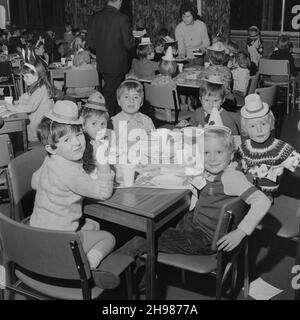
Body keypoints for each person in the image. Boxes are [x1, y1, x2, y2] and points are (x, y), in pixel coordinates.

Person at [118, 113, 271, 258]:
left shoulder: (231, 177)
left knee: (142, 239)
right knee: (160, 224)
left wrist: (241, 232)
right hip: (195, 223)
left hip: (203, 239)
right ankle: (145, 278)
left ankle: (117, 272)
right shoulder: (217, 170)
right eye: (206, 153)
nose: (212, 158)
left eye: (219, 152)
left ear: (231, 154)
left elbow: (262, 201)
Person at [29, 100, 119, 289]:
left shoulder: (50, 159)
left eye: (78, 134)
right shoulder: (71, 172)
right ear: (52, 147)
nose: (77, 142)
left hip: (36, 235)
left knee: (93, 224)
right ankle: (87, 269)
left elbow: (34, 182)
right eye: (67, 140)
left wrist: (56, 189)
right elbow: (103, 193)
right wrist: (103, 163)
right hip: (59, 242)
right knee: (109, 237)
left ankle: (75, 260)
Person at [237, 93, 300, 198]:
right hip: (248, 193)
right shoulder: (244, 148)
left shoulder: (280, 148)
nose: (259, 130)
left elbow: (297, 164)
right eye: (252, 126)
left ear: (270, 124)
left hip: (270, 195)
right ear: (245, 129)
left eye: (263, 124)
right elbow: (236, 169)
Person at [87, 0, 135, 117]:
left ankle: (112, 123)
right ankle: (108, 125)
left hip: (102, 64)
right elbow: (128, 44)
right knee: (112, 98)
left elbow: (90, 43)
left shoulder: (95, 17)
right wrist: (135, 39)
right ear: (119, 1)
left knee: (108, 95)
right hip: (117, 65)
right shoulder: (122, 18)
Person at [4, 60, 54, 142]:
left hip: (41, 124)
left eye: (27, 76)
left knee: (19, 131)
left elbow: (30, 107)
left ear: (37, 75)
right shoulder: (38, 85)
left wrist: (15, 108)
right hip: (41, 120)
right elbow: (28, 95)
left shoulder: (40, 89)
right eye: (23, 76)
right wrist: (19, 101)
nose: (24, 79)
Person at [112, 79, 155, 148]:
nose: (131, 100)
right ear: (119, 101)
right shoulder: (113, 123)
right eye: (126, 97)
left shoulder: (147, 121)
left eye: (136, 97)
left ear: (141, 103)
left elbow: (153, 142)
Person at [81, 92, 110, 175]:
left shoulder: (105, 140)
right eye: (94, 123)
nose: (99, 128)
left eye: (103, 124)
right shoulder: (82, 144)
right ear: (83, 124)